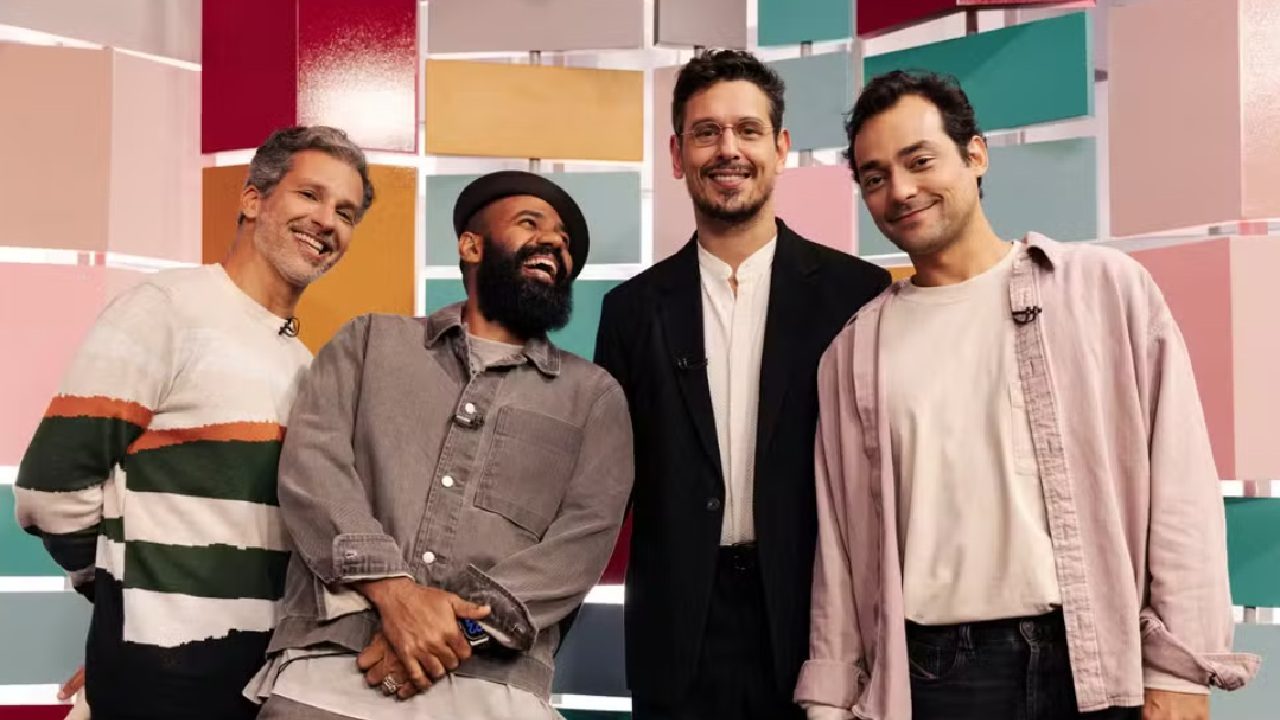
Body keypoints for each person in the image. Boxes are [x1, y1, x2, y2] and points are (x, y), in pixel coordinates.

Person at [795, 70, 1260, 720]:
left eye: (919, 160)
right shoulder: (852, 354)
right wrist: (831, 699)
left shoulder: (1104, 289)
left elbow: (1178, 487)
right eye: (874, 177)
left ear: (976, 153)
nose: (900, 190)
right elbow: (841, 554)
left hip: (1096, 660)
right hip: (937, 678)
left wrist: (1180, 669)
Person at [14, 126, 375, 719]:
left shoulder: (303, 362)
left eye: (346, 211)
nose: (327, 221)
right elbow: (50, 492)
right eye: (310, 195)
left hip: (255, 680)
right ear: (253, 199)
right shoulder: (166, 310)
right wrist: (126, 605)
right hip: (159, 684)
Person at [246, 170, 635, 719]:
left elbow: (581, 542)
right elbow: (314, 468)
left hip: (495, 695)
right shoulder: (370, 342)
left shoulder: (594, 398)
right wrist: (395, 593)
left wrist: (454, 629)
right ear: (471, 244)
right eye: (531, 223)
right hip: (329, 671)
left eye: (566, 242)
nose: (555, 242)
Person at [594, 50, 891, 720]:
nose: (728, 150)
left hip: (821, 625)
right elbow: (604, 485)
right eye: (706, 133)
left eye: (748, 131)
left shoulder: (858, 294)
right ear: (677, 155)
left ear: (780, 147)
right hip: (677, 638)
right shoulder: (632, 311)